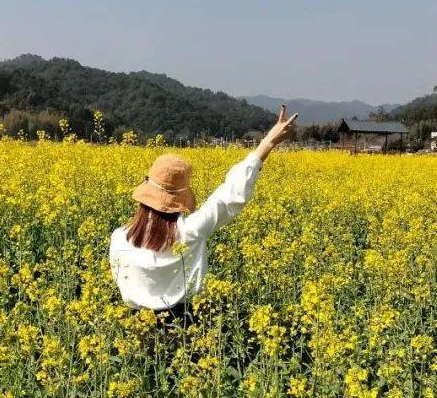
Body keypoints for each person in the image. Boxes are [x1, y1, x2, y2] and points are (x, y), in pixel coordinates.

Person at [109, 105, 298, 313]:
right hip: (187, 325)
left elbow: (122, 280)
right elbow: (229, 196)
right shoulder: (190, 232)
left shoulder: (119, 238)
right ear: (181, 198)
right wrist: (268, 142)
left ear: (144, 197)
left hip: (136, 330)